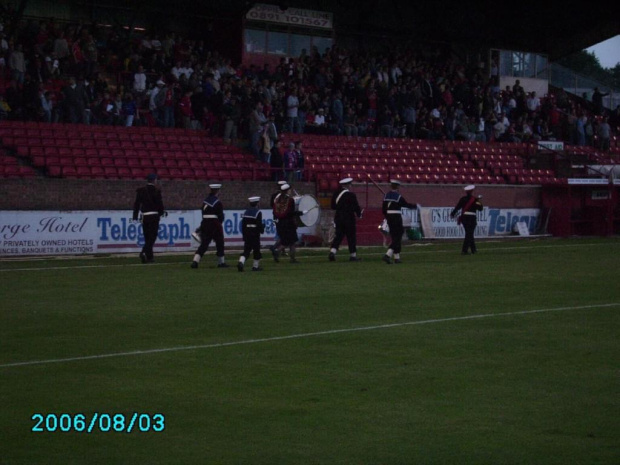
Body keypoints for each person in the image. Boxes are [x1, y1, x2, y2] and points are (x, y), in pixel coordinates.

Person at [191, 183, 229, 269]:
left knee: (204, 244)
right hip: (214, 223)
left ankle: (195, 261)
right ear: (217, 191)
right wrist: (219, 223)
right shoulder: (217, 202)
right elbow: (220, 216)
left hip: (205, 223)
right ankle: (221, 262)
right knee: (220, 242)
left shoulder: (205, 201)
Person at [381, 180, 417, 264]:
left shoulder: (386, 195)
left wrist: (387, 216)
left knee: (394, 236)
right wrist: (415, 206)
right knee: (398, 236)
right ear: (397, 187)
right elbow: (406, 204)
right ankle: (388, 255)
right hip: (396, 217)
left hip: (389, 217)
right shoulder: (398, 196)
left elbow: (383, 209)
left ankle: (397, 257)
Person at [132, 173, 165, 264]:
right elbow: (160, 205)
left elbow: (137, 205)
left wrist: (135, 217)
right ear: (154, 180)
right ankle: (144, 252)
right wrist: (161, 213)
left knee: (147, 237)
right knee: (152, 237)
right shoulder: (156, 191)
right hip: (154, 216)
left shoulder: (141, 191)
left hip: (145, 217)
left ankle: (150, 257)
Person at [328, 177, 363, 262]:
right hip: (349, 219)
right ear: (348, 185)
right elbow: (356, 207)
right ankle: (353, 255)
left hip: (338, 218)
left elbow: (333, 206)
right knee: (351, 237)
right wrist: (359, 214)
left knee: (338, 236)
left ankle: (332, 252)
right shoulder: (351, 195)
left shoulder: (336, 194)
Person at [271, 183, 303, 263]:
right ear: (287, 190)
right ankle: (279, 252)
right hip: (289, 223)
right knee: (291, 241)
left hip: (280, 223)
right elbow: (290, 213)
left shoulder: (277, 199)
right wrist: (299, 213)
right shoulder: (290, 200)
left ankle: (289, 257)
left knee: (285, 240)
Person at [450, 184, 483, 255]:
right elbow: (480, 209)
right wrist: (479, 202)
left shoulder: (463, 199)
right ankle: (464, 250)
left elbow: (457, 207)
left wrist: (452, 214)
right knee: (469, 234)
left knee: (469, 233)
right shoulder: (474, 200)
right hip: (471, 218)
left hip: (464, 218)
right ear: (472, 191)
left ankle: (473, 250)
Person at [238, 196, 265, 272]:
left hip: (247, 233)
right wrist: (262, 229)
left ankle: (241, 262)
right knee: (256, 250)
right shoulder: (258, 212)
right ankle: (255, 266)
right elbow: (258, 224)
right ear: (257, 203)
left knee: (246, 250)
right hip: (254, 233)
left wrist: (244, 235)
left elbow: (243, 225)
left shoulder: (246, 212)